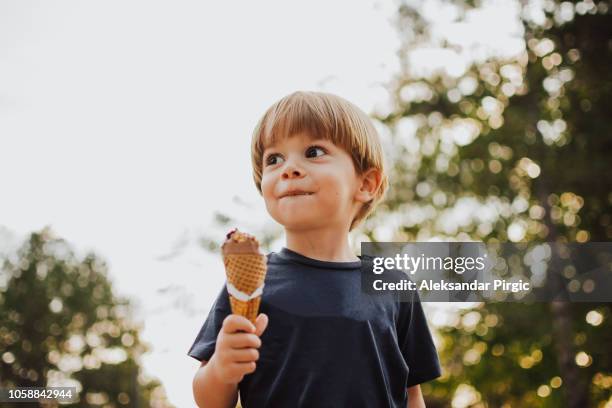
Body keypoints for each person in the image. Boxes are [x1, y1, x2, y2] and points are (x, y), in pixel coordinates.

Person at [188, 90, 442, 407]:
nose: (288, 168)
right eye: (274, 159)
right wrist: (222, 368)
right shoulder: (249, 288)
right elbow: (210, 400)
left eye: (313, 151)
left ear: (365, 184)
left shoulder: (393, 285)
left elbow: (410, 393)